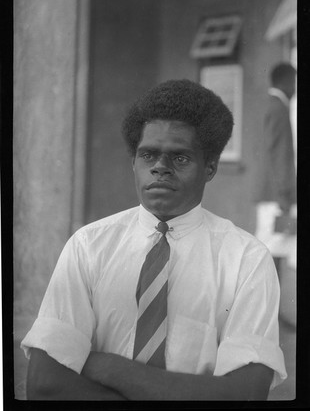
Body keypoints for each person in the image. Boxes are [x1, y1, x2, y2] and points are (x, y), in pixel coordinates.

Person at [22, 79, 286, 401]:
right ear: (133, 162)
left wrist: (108, 367)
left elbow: (244, 392)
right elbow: (44, 382)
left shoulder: (246, 259)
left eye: (180, 158)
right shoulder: (88, 246)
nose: (160, 168)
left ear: (211, 168)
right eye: (148, 155)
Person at [253, 63, 296, 245]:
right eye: (294, 83)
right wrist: (284, 196)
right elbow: (279, 155)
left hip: (267, 192)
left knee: (270, 248)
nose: (295, 89)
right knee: (273, 250)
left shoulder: (267, 104)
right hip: (276, 196)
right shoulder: (279, 109)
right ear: (286, 82)